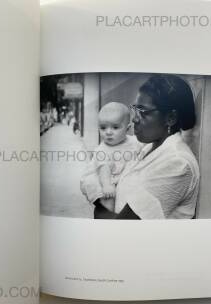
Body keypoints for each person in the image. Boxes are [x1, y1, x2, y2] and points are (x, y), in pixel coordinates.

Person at [80, 74, 200, 219]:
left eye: (143, 112)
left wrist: (98, 204)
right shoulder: (146, 148)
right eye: (135, 109)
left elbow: (123, 225)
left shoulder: (178, 163)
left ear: (170, 118)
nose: (135, 118)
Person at [80, 102, 143, 211]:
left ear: (127, 129)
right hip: (104, 180)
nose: (108, 132)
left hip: (122, 178)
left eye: (115, 127)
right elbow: (104, 168)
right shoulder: (102, 149)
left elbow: (143, 148)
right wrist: (107, 185)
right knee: (108, 199)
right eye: (103, 128)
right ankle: (108, 216)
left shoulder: (133, 141)